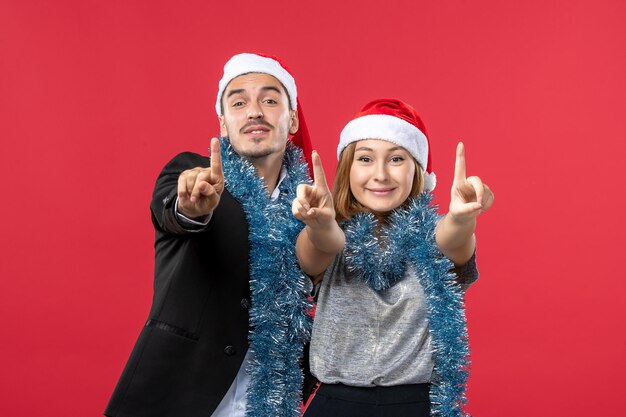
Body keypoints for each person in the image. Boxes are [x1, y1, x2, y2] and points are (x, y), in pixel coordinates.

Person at [105, 53, 317, 417]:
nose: (254, 111)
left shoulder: (312, 205)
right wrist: (192, 207)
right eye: (238, 102)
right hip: (181, 393)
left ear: (293, 117)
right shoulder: (191, 172)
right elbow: (172, 211)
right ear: (223, 122)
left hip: (273, 400)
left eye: (269, 100)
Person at [292, 98, 494, 417]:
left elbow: (452, 239)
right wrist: (320, 224)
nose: (381, 174)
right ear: (348, 168)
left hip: (417, 405)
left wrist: (462, 219)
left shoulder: (434, 237)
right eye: (366, 159)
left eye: (396, 158)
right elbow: (321, 246)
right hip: (337, 405)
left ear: (417, 170)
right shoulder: (331, 236)